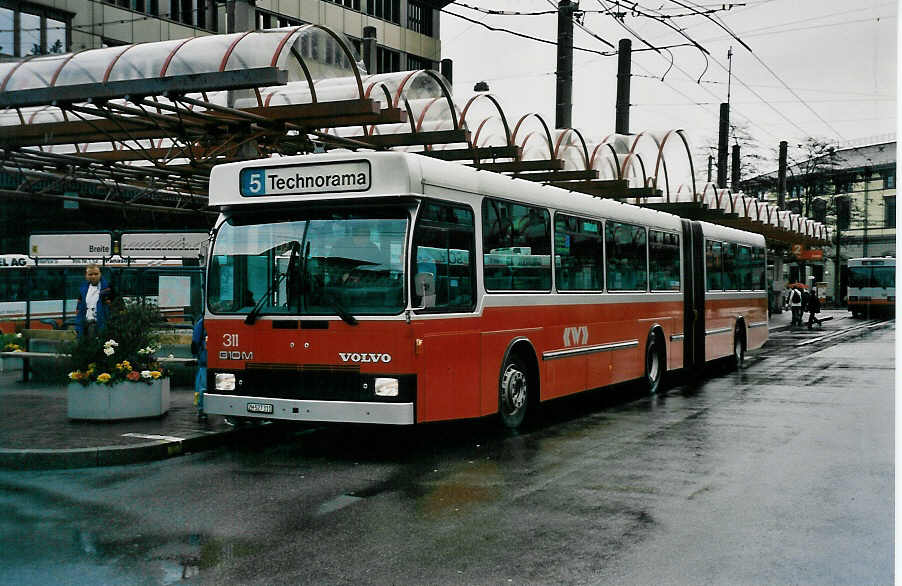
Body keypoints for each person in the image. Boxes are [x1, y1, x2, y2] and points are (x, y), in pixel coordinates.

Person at [75, 264, 114, 338]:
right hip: (85, 326)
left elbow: (116, 308)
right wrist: (78, 326)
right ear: (86, 275)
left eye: (96, 274)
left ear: (100, 274)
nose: (93, 276)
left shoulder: (109, 289)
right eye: (90, 274)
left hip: (102, 326)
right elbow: (79, 309)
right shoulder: (82, 289)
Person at [191, 317, 207, 421]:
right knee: (203, 386)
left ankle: (202, 409)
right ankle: (201, 409)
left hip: (205, 359)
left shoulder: (202, 322)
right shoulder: (202, 323)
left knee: (202, 386)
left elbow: (195, 342)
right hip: (206, 359)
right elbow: (195, 342)